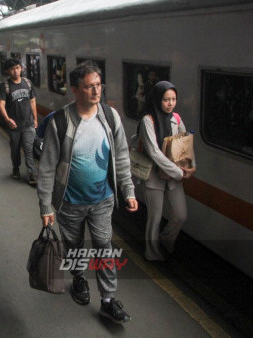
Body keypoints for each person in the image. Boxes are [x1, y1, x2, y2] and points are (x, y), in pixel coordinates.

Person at [37, 63, 138, 324]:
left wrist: (127, 190)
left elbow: (122, 157)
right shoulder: (60, 122)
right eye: (89, 86)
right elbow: (47, 167)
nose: (96, 90)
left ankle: (107, 300)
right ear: (75, 90)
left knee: (104, 246)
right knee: (74, 246)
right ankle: (79, 277)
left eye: (99, 84)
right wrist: (46, 206)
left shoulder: (110, 116)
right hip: (69, 202)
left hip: (102, 199)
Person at [138, 81, 196, 261]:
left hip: (173, 176)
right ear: (157, 100)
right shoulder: (148, 120)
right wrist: (178, 172)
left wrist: (192, 166)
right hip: (154, 176)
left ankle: (166, 240)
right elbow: (153, 151)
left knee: (180, 215)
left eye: (173, 99)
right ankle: (152, 252)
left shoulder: (176, 119)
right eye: (166, 100)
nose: (170, 103)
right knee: (154, 217)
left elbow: (186, 144)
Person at [0, 58, 38, 186]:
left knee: (29, 149)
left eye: (18, 68)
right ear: (8, 71)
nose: (16, 71)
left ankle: (32, 174)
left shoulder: (27, 83)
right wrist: (7, 119)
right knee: (15, 150)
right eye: (13, 69)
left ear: (21, 68)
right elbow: (1, 104)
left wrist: (35, 119)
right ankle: (16, 168)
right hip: (14, 126)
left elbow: (32, 101)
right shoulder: (5, 86)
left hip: (28, 124)